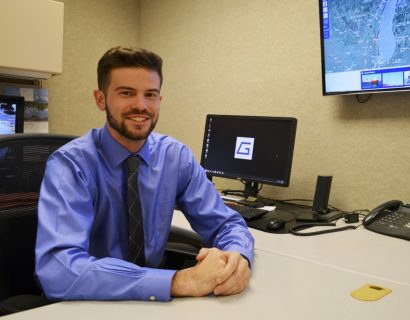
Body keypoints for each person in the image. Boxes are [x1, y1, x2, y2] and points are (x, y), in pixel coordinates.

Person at [35, 46, 255, 302]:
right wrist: (178, 280)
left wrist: (237, 259)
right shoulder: (70, 166)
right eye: (126, 93)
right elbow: (57, 270)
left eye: (150, 94)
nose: (140, 105)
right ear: (100, 99)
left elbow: (226, 224)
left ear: (160, 100)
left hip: (155, 303)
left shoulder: (176, 158)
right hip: (87, 302)